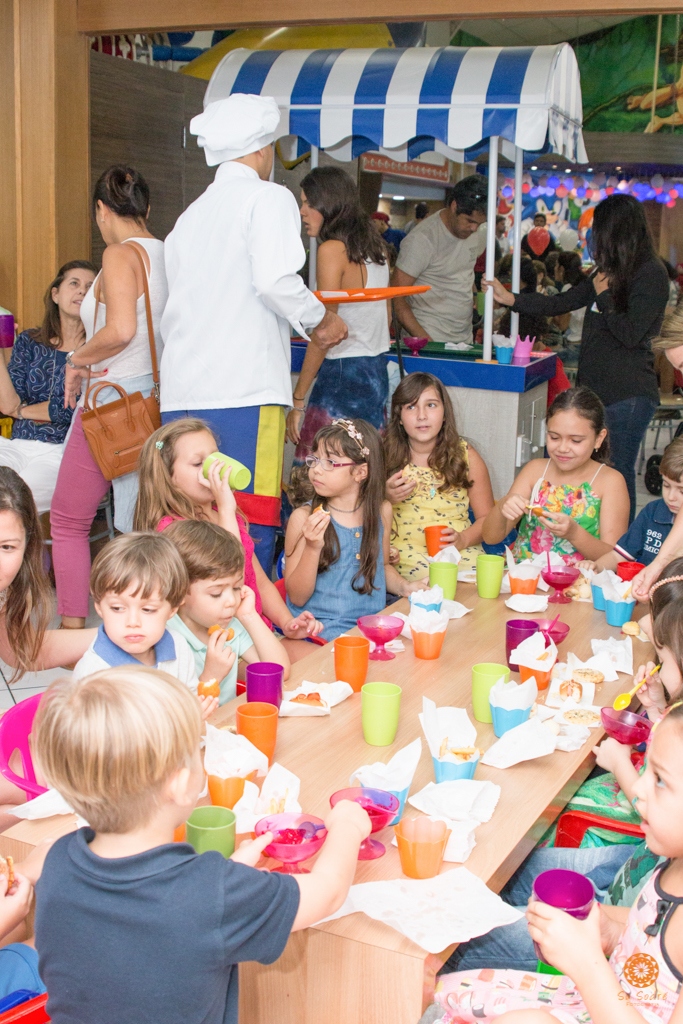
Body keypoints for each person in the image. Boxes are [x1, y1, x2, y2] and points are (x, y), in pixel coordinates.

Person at [32, 667, 371, 1024]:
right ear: (180, 785)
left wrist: (229, 876)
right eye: (199, 747)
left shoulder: (56, 862)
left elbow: (140, 940)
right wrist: (347, 826)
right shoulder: (212, 893)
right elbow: (327, 892)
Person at [160, 94, 347, 576]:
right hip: (245, 391)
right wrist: (320, 320)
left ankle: (192, 630)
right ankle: (252, 629)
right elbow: (276, 281)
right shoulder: (268, 197)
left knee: (186, 518)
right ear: (262, 150)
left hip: (181, 393)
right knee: (252, 514)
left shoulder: (188, 218)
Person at [433, 701, 683, 1023]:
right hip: (604, 994)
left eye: (660, 780)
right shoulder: (674, 861)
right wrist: (612, 928)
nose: (638, 786)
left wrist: (587, 964)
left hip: (607, 998)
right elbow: (653, 928)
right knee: (451, 989)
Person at [485, 194, 670, 523]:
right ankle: (589, 538)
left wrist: (604, 295)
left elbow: (629, 333)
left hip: (628, 395)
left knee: (615, 473)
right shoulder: (608, 271)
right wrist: (511, 298)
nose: (593, 239)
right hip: (598, 394)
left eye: (599, 230)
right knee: (593, 473)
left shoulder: (650, 274)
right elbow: (562, 302)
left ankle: (619, 549)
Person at [50, 165, 168, 630]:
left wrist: (76, 358)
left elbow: (121, 330)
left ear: (101, 209)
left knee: (68, 519)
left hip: (113, 403)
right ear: (148, 208)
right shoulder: (170, 253)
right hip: (157, 401)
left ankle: (74, 632)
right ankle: (146, 630)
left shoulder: (120, 254)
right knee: (142, 526)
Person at [134, 419, 322, 661]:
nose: (213, 469)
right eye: (198, 463)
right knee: (277, 676)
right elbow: (232, 572)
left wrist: (287, 623)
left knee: (321, 659)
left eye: (214, 458)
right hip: (215, 646)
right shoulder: (172, 530)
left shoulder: (228, 514)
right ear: (168, 476)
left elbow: (259, 583)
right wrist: (225, 508)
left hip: (255, 631)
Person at [286, 167, 391, 457]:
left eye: (308, 203)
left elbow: (324, 333)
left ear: (329, 205)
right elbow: (387, 318)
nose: (302, 211)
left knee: (317, 474)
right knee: (362, 472)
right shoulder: (376, 249)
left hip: (343, 376)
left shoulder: (332, 249)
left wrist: (298, 400)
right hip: (376, 373)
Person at [284, 419, 420, 640]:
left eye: (329, 462)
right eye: (315, 459)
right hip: (320, 633)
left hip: (371, 630)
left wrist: (405, 587)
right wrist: (312, 547)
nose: (316, 469)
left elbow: (382, 566)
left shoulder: (381, 511)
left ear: (360, 472)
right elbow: (297, 597)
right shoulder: (303, 518)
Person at [70, 533, 221, 717]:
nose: (132, 622)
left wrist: (196, 710)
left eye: (148, 609)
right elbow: (87, 741)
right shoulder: (93, 672)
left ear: (172, 609)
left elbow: (187, 697)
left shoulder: (178, 646)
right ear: (99, 607)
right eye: (117, 608)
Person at [482, 387, 630, 565]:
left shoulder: (610, 481)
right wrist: (502, 507)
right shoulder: (534, 471)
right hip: (523, 578)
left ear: (599, 438)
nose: (563, 448)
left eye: (576, 440)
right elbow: (491, 538)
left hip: (577, 583)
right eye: (554, 437)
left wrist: (574, 534)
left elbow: (615, 558)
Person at [0, 261, 95, 513]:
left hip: (61, 451)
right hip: (16, 443)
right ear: (55, 294)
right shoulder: (30, 341)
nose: (82, 291)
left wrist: (21, 411)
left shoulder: (98, 348)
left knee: (15, 502)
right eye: (74, 283)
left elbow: (70, 411)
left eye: (90, 287)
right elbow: (7, 404)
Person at [384, 372, 494, 581]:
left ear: (445, 414)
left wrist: (463, 539)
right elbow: (357, 514)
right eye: (411, 406)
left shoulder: (466, 456)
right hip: (403, 562)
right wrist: (384, 497)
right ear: (398, 417)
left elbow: (488, 520)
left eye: (431, 405)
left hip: (460, 556)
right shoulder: (384, 457)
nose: (422, 415)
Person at [165, 520, 290, 703]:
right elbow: (173, 717)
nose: (232, 601)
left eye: (237, 588)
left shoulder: (229, 625)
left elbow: (280, 670)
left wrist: (249, 616)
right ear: (178, 592)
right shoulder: (166, 637)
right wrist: (211, 676)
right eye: (216, 594)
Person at [392, 175, 488, 346]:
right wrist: (428, 343)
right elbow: (396, 298)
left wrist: (475, 298)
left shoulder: (477, 232)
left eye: (480, 223)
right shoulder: (422, 239)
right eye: (470, 221)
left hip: (463, 338)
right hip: (428, 337)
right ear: (454, 206)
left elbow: (464, 270)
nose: (474, 228)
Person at [581, 437, 683, 573]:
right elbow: (619, 556)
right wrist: (597, 567)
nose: (671, 497)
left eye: (681, 491)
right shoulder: (652, 511)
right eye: (666, 485)